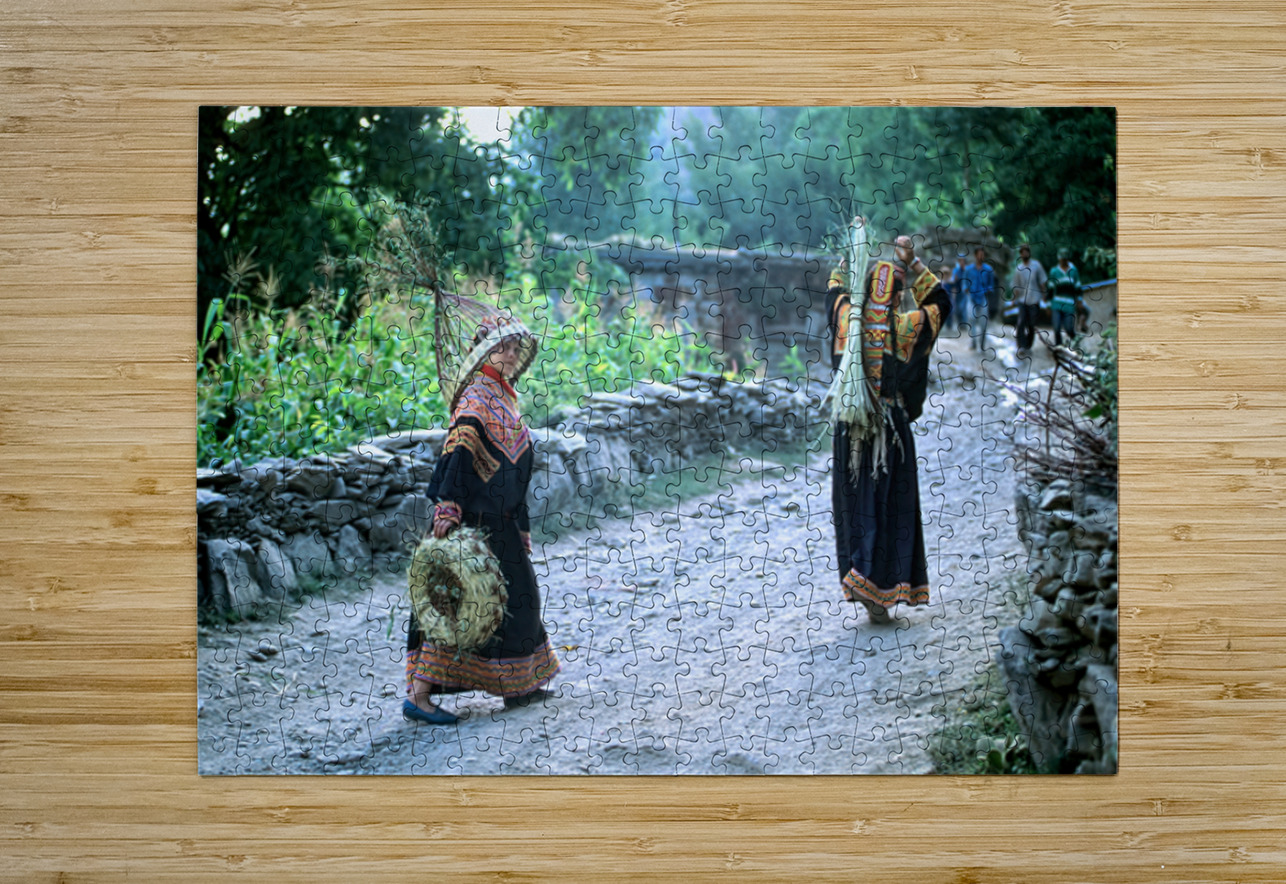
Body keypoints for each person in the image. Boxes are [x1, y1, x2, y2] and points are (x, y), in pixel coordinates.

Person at [403, 298, 560, 725]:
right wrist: (448, 508)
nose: (510, 355)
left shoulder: (505, 398)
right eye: (502, 347)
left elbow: (516, 468)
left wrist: (521, 522)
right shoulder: (476, 398)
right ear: (484, 352)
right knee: (452, 605)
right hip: (473, 522)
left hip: (503, 523)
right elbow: (457, 454)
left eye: (513, 348)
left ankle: (518, 685)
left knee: (519, 601)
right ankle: (419, 697)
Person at [827, 224, 952, 623]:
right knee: (890, 504)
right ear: (898, 296)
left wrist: (845, 266)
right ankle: (882, 589)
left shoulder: (849, 323)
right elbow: (941, 301)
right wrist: (911, 261)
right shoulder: (905, 327)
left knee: (856, 504)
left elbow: (834, 291)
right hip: (891, 432)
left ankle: (861, 581)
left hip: (851, 429)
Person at [1011, 243, 1047, 356]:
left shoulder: (1036, 265)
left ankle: (1028, 345)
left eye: (1027, 251)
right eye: (1023, 251)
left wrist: (1044, 295)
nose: (1025, 253)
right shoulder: (1019, 269)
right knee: (1021, 323)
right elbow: (1016, 286)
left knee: (1032, 324)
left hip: (1034, 299)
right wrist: (1014, 299)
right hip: (1022, 300)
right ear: (1020, 254)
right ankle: (1020, 345)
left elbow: (1042, 281)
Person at [959, 247, 997, 352]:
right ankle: (973, 342)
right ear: (975, 255)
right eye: (979, 254)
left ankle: (982, 343)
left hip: (983, 299)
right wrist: (965, 288)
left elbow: (991, 285)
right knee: (971, 321)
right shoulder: (968, 269)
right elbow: (964, 282)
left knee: (983, 323)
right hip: (971, 298)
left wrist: (988, 290)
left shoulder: (988, 269)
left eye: (983, 254)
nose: (981, 256)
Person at [1047, 248, 1082, 347]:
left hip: (1069, 304)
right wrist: (1048, 305)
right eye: (1062, 259)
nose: (1063, 261)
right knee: (1056, 328)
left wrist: (1079, 300)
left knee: (1069, 328)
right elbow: (1050, 289)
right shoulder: (1054, 271)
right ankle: (1059, 347)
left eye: (1065, 259)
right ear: (1059, 259)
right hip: (1056, 304)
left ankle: (1076, 343)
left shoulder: (1074, 271)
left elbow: (1078, 287)